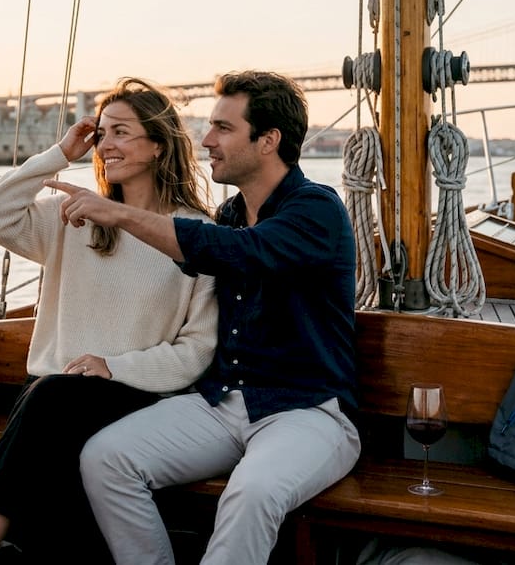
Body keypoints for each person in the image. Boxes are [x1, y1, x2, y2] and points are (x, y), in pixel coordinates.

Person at [45, 70, 360, 565]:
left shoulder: (316, 211)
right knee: (106, 459)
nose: (206, 140)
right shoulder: (231, 213)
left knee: (251, 492)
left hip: (307, 412)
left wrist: (120, 214)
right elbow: (206, 255)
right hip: (222, 404)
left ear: (268, 140)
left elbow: (240, 252)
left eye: (223, 128)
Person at [0, 78, 218, 565]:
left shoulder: (197, 234)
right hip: (53, 399)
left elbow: (196, 350)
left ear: (158, 145)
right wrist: (58, 153)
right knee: (55, 424)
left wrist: (112, 366)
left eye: (121, 132)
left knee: (53, 405)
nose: (105, 144)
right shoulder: (73, 216)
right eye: (101, 133)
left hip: (135, 396)